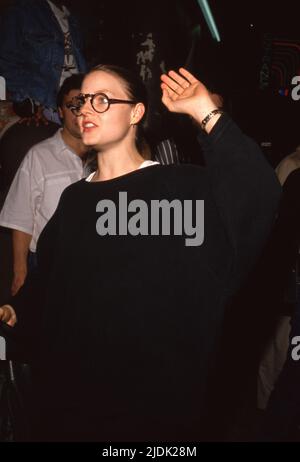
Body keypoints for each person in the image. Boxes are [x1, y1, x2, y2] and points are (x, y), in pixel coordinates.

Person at [0, 65, 280, 441]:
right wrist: (18, 308)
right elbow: (51, 277)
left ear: (136, 113)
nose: (86, 109)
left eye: (102, 99)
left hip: (150, 411)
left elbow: (256, 197)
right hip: (73, 405)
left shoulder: (178, 189)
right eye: (82, 100)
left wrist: (205, 114)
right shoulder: (76, 200)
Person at [0, 74, 89, 296]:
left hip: (93, 261)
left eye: (86, 104)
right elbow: (21, 218)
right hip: (48, 263)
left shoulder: (107, 155)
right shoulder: (39, 156)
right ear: (60, 111)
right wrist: (20, 271)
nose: (81, 113)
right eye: (73, 106)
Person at [0, 0, 86, 124]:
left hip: (79, 100)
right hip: (47, 104)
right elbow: (6, 61)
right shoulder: (23, 11)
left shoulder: (73, 17)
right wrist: (29, 102)